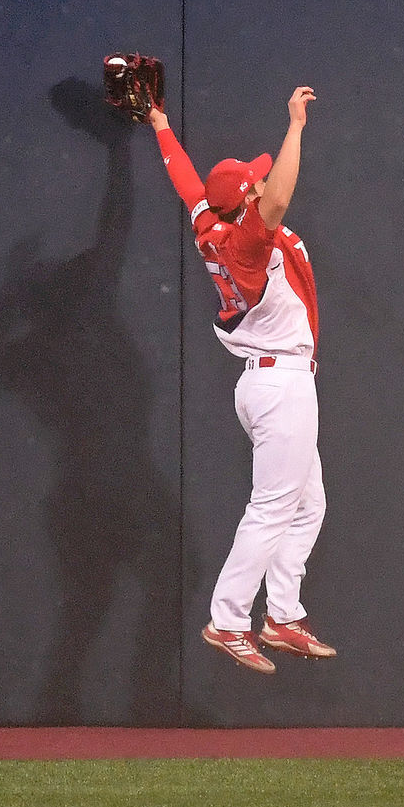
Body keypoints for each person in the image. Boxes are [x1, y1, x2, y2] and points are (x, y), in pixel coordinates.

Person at [149, 84, 335, 675]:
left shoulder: (213, 225)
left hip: (268, 382)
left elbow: (187, 184)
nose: (262, 181)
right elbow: (277, 198)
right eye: (254, 181)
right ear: (247, 200)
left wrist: (158, 122)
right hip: (279, 385)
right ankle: (228, 620)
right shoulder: (250, 240)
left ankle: (281, 615)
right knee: (273, 508)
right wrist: (295, 127)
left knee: (307, 506)